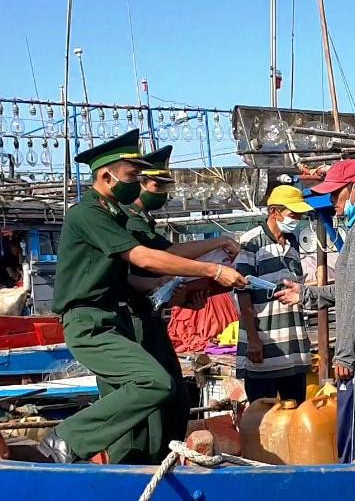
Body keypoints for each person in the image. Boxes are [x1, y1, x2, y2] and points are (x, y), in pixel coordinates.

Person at [38, 130, 247, 464]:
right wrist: (212, 270)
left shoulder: (114, 216)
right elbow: (144, 257)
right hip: (91, 321)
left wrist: (206, 257)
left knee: (162, 397)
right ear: (106, 176)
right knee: (153, 385)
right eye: (132, 175)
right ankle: (68, 437)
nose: (136, 182)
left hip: (113, 318)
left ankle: (132, 467)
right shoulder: (88, 214)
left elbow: (150, 265)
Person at [100, 145, 239, 463]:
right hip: (132, 323)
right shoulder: (129, 224)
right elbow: (161, 259)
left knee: (173, 399)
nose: (161, 193)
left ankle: (164, 461)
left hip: (151, 319)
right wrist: (213, 260)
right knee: (148, 406)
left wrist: (188, 294)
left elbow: (162, 271)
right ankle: (138, 468)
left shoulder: (144, 223)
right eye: (156, 185)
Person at [275, 160, 355, 463]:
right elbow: (354, 290)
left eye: (336, 193)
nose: (333, 201)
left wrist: (345, 354)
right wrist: (306, 294)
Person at [235, 185, 313, 404]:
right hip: (264, 348)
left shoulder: (293, 243)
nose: (297, 219)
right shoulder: (252, 242)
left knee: (295, 412)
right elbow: (243, 293)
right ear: (274, 212)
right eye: (292, 214)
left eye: (299, 215)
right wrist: (253, 340)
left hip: (293, 349)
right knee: (263, 414)